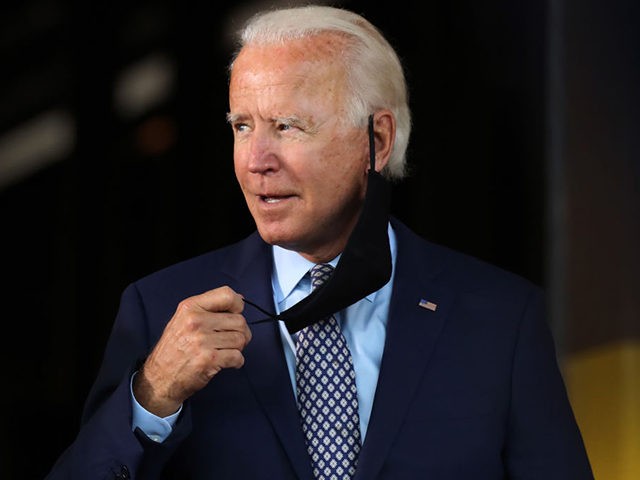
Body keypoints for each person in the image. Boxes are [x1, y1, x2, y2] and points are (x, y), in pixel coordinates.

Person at [46, 5, 593, 479]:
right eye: (242, 126)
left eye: (287, 126)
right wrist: (153, 396)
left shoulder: (501, 317)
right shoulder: (160, 309)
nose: (256, 160)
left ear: (376, 141)